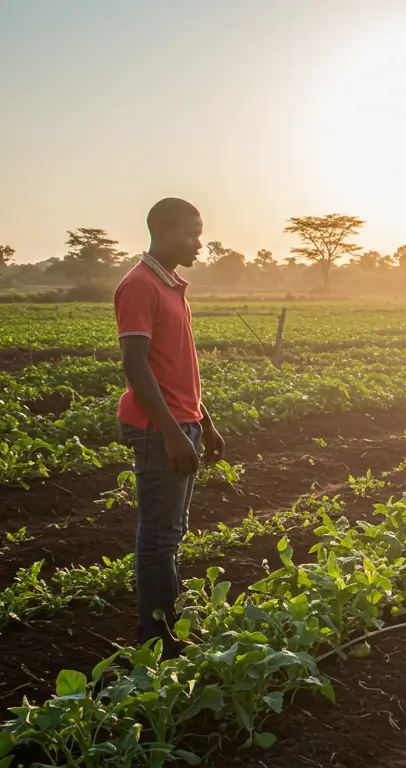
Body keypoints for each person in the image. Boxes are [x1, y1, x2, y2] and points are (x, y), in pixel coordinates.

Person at [115, 197, 225, 654]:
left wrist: (204, 421)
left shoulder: (170, 286)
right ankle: (156, 636)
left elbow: (179, 367)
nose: (199, 243)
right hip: (158, 428)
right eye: (190, 234)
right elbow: (137, 369)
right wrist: (174, 433)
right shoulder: (139, 285)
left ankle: (166, 628)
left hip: (182, 422)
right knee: (159, 537)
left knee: (171, 533)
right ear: (160, 232)